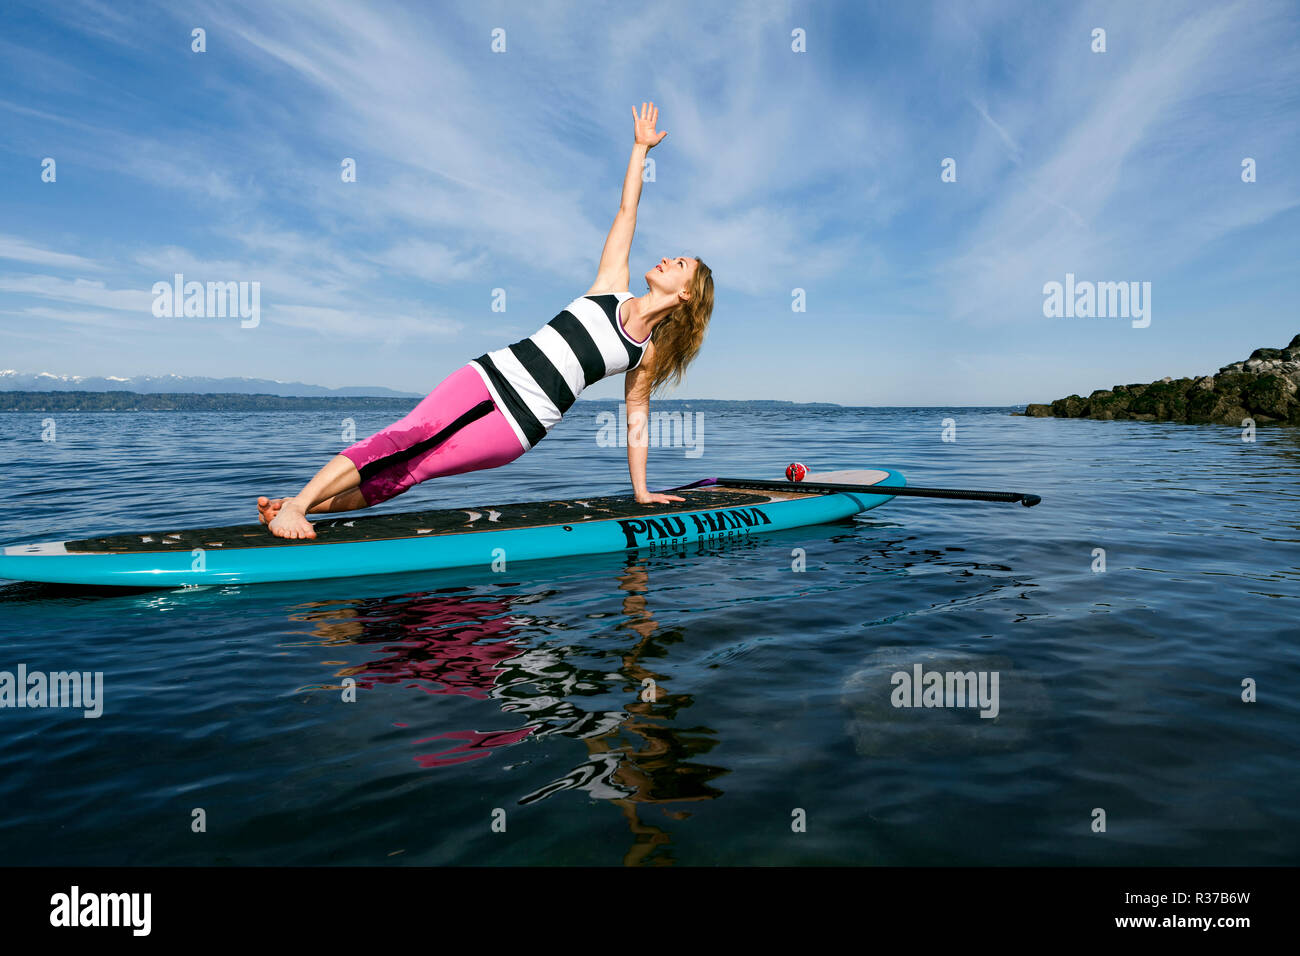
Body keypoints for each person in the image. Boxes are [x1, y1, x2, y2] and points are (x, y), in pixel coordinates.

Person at [260, 102, 714, 539]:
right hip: (489, 376)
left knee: (409, 472)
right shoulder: (611, 285)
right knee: (404, 438)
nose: (666, 259)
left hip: (521, 424)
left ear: (686, 293)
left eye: (679, 264)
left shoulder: (645, 352)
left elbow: (637, 420)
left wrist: (641, 492)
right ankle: (299, 505)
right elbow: (626, 212)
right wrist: (640, 150)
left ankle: (292, 507)